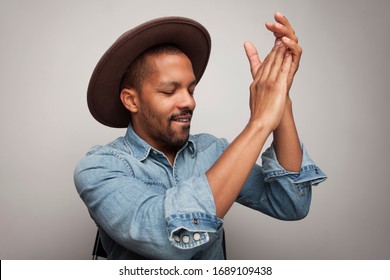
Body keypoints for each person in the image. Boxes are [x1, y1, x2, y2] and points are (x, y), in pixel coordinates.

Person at [74, 13, 326, 260]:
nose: (189, 101)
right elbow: (167, 241)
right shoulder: (100, 168)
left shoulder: (213, 151)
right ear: (131, 100)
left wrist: (280, 98)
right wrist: (259, 123)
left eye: (191, 89)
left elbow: (291, 203)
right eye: (169, 91)